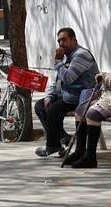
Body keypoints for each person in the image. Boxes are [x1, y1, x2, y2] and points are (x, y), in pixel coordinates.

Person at [34, 28, 96, 157]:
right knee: (40, 106)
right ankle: (62, 140)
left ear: (74, 40)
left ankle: (51, 146)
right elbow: (56, 79)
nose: (61, 43)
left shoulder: (81, 55)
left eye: (64, 40)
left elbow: (68, 78)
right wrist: (50, 96)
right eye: (59, 41)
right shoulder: (66, 57)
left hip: (82, 97)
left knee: (53, 110)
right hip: (69, 95)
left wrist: (57, 62)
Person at [64, 71, 111, 169]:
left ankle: (90, 157)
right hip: (110, 96)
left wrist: (105, 77)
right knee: (80, 110)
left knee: (92, 114)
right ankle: (79, 151)